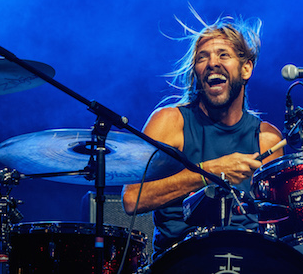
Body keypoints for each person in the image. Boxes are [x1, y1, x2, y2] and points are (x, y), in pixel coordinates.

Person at [121, 13, 283, 261]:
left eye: (223, 55)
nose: (212, 63)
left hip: (247, 262)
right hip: (180, 262)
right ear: (196, 72)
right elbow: (132, 199)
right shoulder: (170, 122)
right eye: (202, 57)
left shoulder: (267, 139)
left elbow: (280, 223)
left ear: (246, 68)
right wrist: (210, 172)